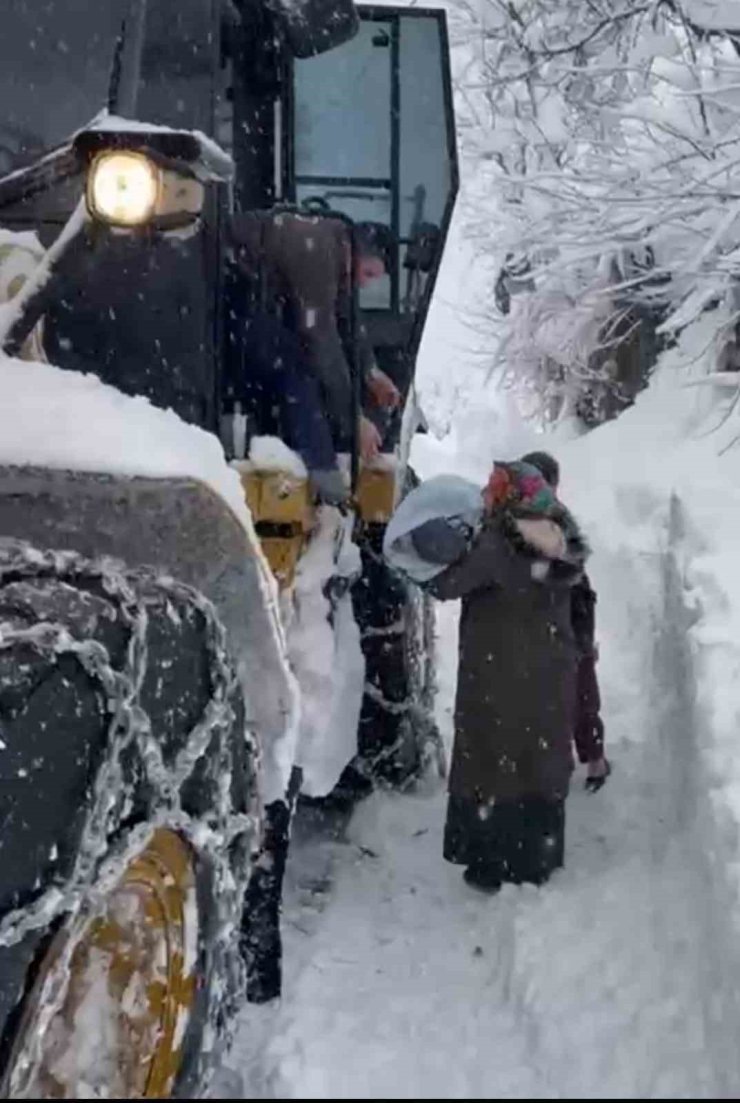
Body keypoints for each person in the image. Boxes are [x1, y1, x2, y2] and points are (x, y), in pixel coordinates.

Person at [426, 461, 589, 893]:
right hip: (549, 671)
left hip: (498, 670)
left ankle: (489, 860)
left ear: (512, 495)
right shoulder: (558, 535)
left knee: (491, 758)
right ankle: (536, 856)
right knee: (537, 759)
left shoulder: (499, 542)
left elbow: (445, 585)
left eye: (496, 487)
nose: (489, 492)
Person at [229, 208, 401, 502]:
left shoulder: (338, 253)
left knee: (307, 361)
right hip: (224, 301)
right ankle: (327, 482)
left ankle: (324, 469)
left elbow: (347, 321)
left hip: (251, 303)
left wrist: (372, 373)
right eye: (369, 273)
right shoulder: (318, 250)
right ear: (358, 251)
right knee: (301, 366)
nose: (366, 283)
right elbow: (321, 337)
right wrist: (354, 418)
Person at [521, 451, 610, 792]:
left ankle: (592, 759)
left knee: (578, 688)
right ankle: (590, 759)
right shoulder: (548, 518)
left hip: (569, 614)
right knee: (577, 689)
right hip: (564, 615)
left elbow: (573, 564)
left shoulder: (541, 519)